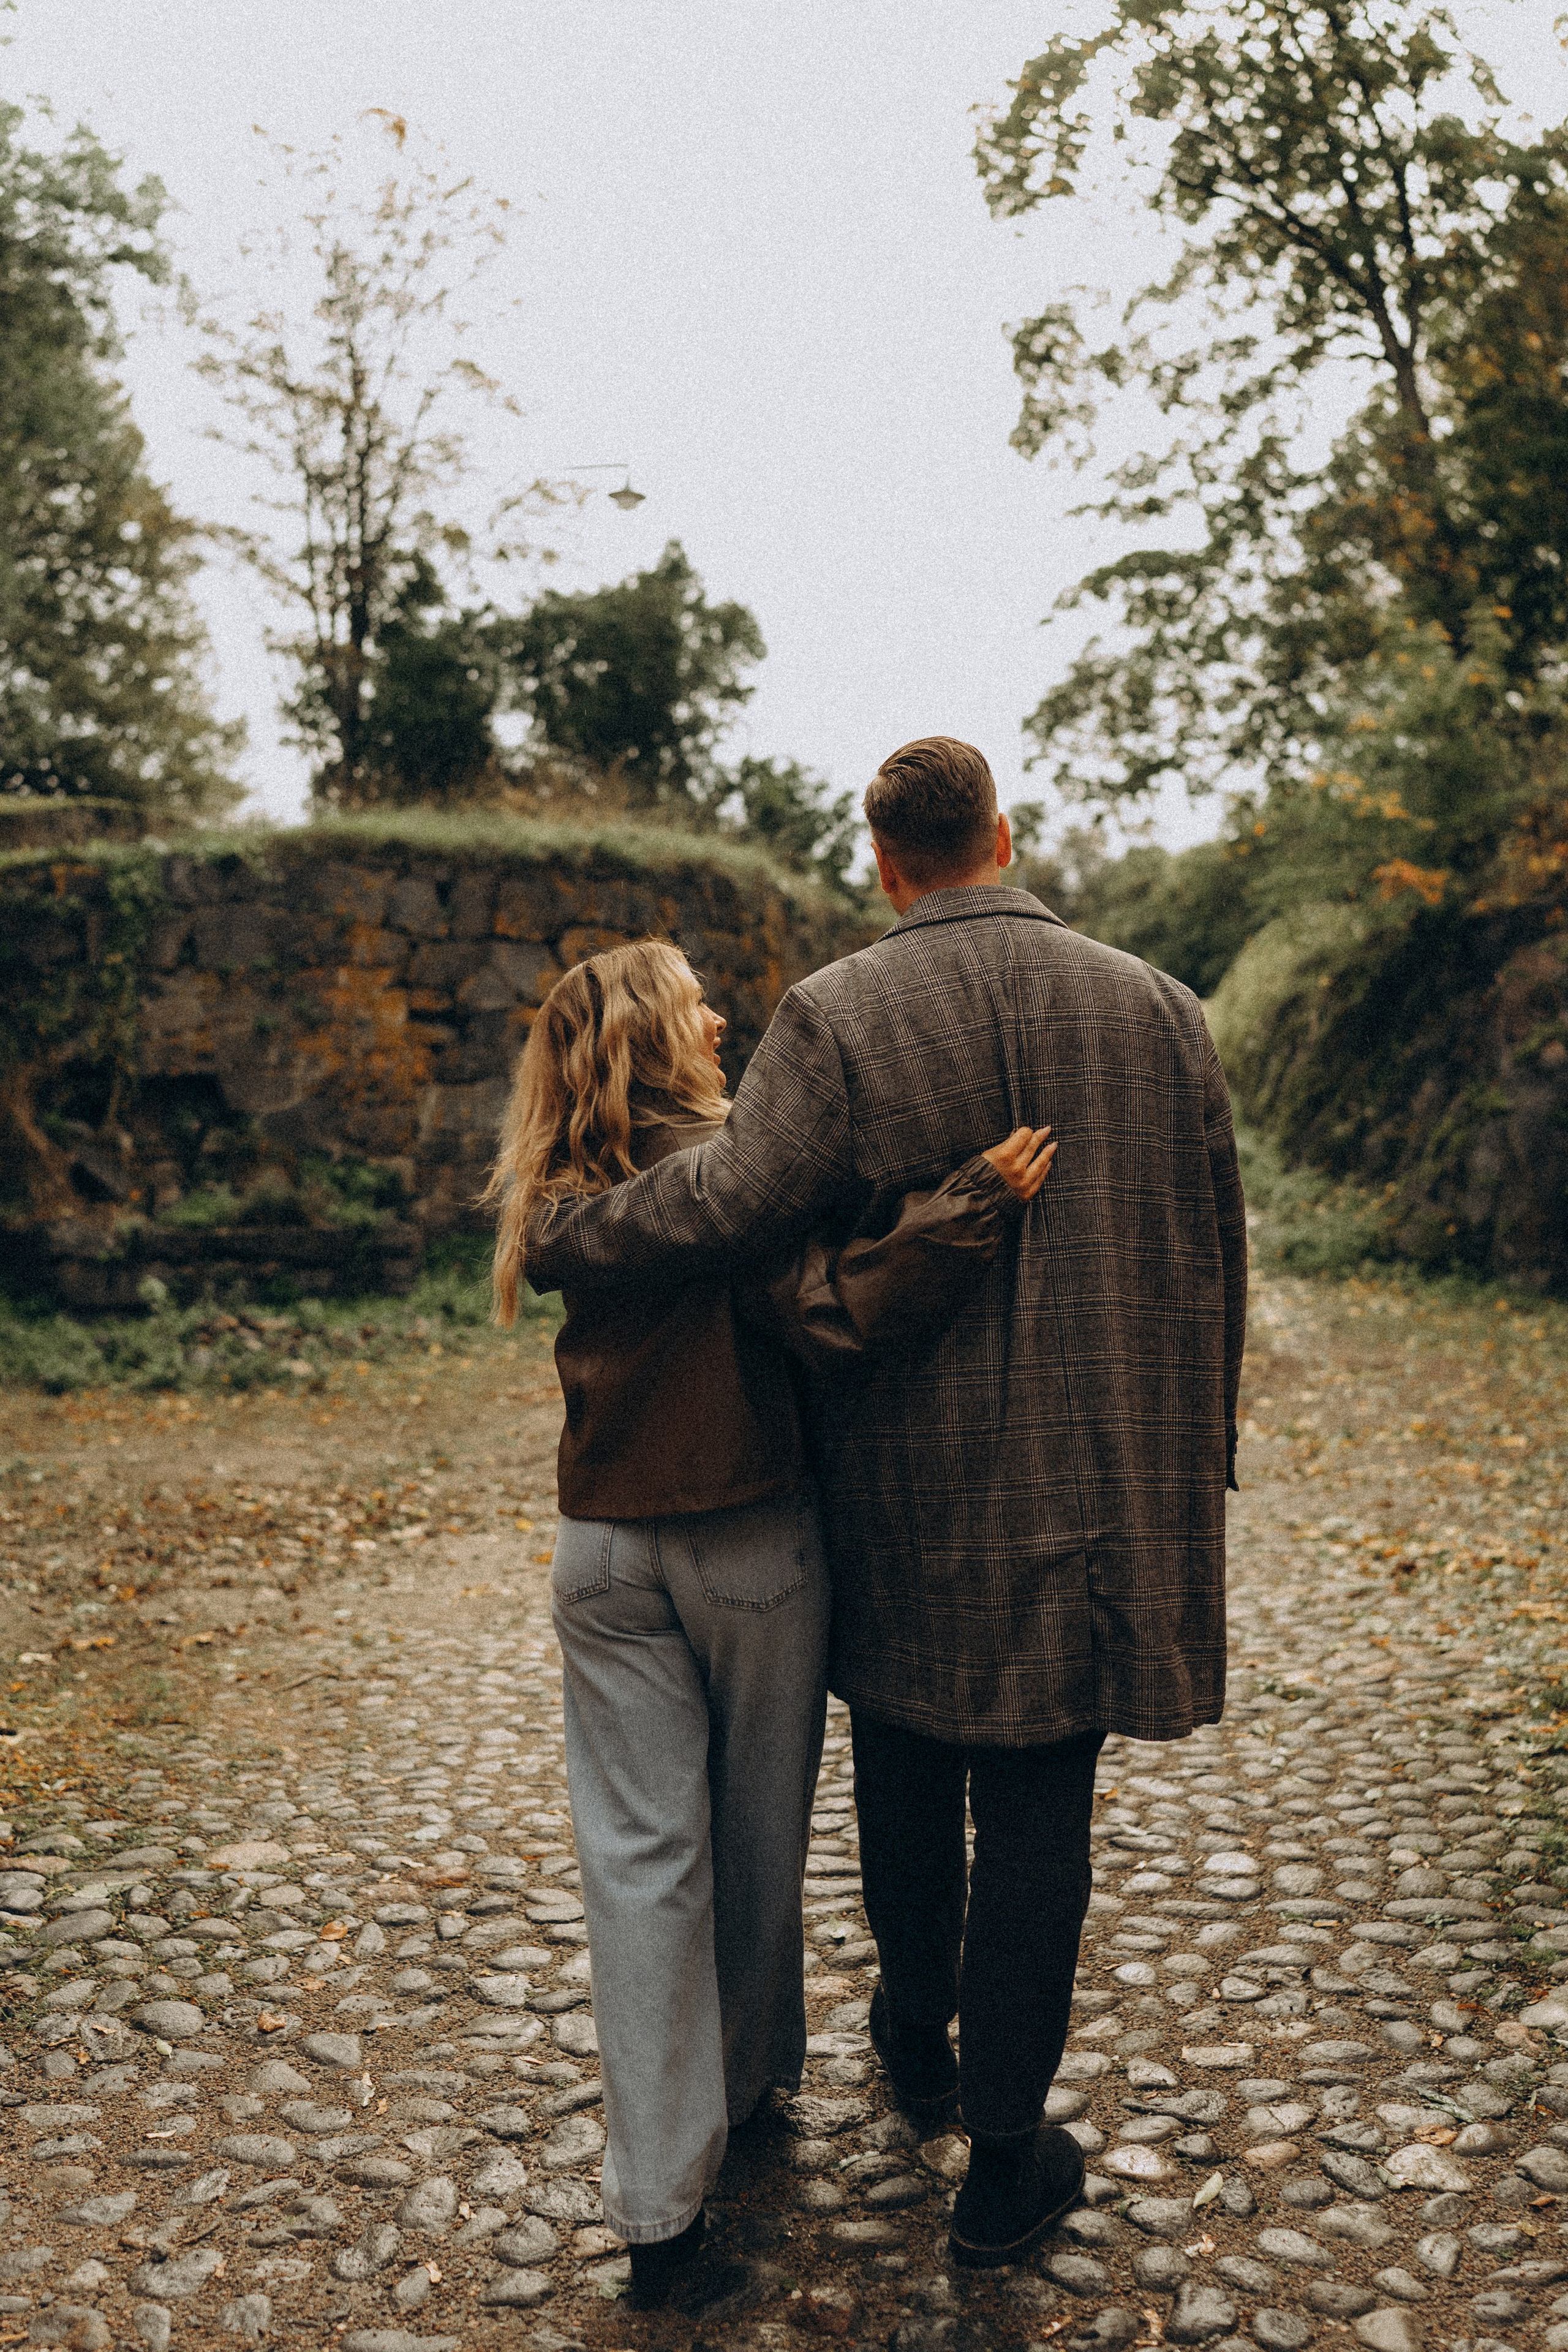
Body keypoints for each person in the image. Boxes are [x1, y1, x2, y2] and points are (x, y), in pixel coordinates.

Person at [524, 738, 1248, 2269]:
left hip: (905, 1487)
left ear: (881, 857)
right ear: (1001, 833)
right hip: (1104, 1481)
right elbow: (1212, 1256)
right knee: (1044, 1801)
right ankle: (1000, 2160)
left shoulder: (836, 1014)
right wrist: (1194, 1462)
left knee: (909, 1770)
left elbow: (728, 1201)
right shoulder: (1158, 1012)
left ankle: (912, 2039)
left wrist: (574, 1231)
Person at [484, 937, 1056, 2304]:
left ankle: (657, 2217)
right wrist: (967, 1206)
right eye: (695, 1002)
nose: (718, 1013)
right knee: (749, 1846)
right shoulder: (741, 1173)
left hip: (598, 1550)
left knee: (636, 1868)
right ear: (652, 1033)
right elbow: (839, 1314)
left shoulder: (560, 1179)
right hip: (744, 1535)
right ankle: (741, 2092)